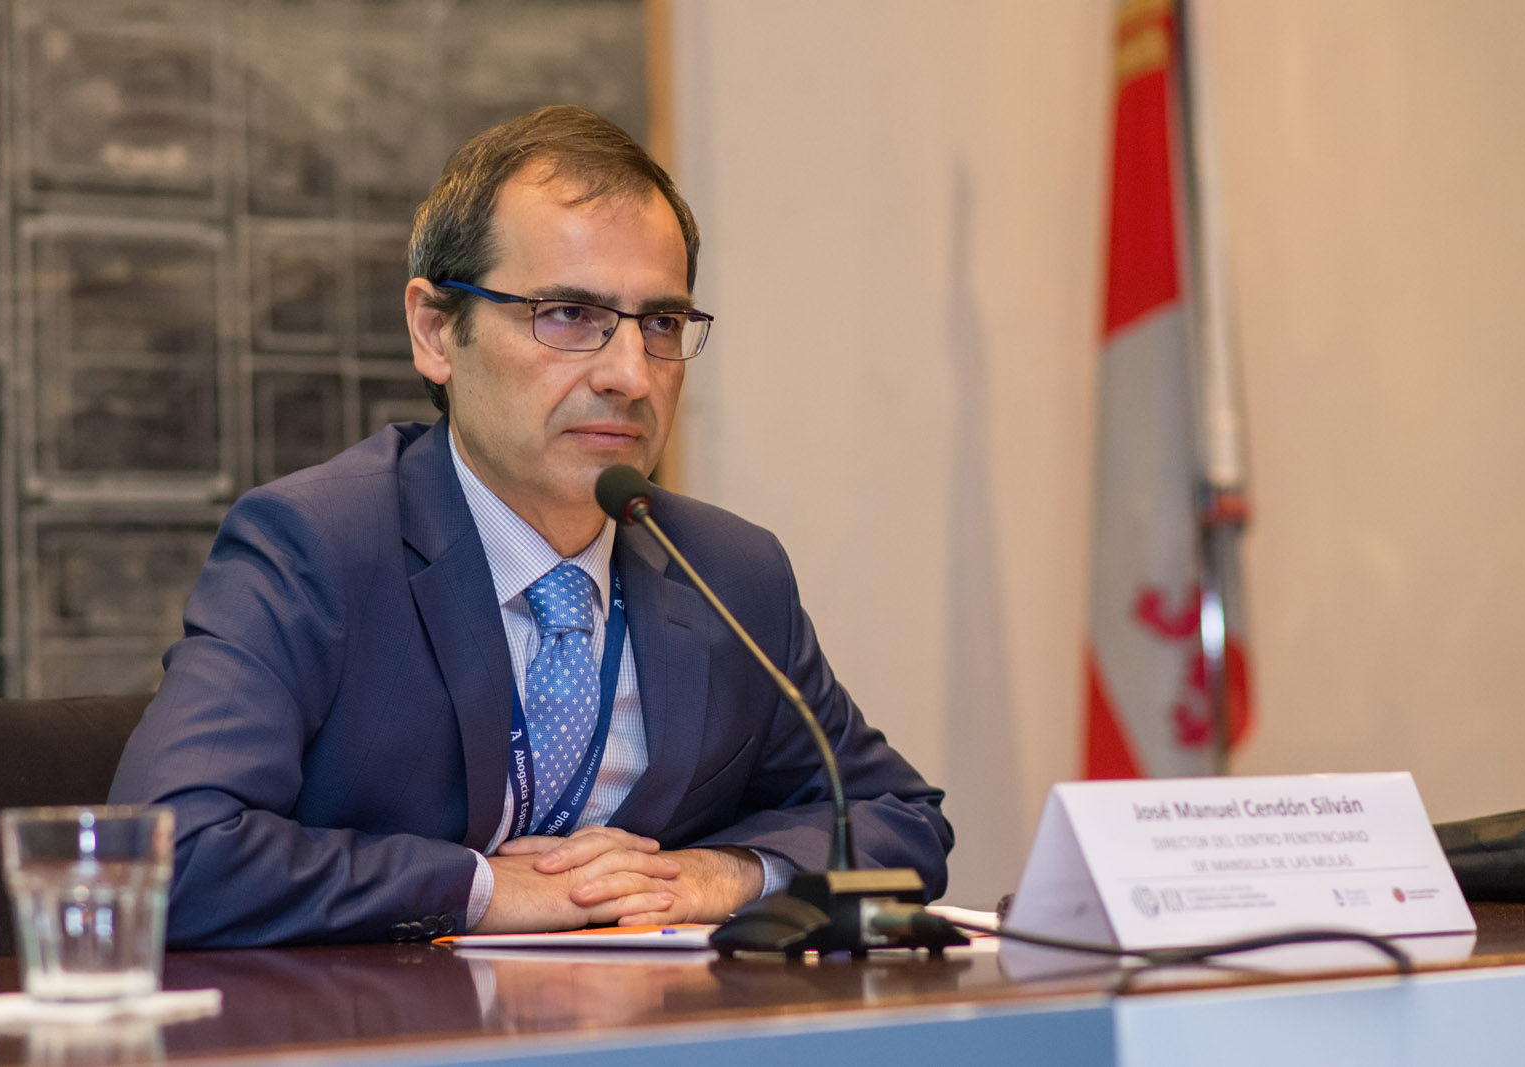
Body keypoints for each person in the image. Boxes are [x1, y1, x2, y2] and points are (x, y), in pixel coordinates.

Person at [110, 105, 951, 947]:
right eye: (569, 314)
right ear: (436, 332)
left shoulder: (728, 571)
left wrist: (722, 874)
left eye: (661, 324)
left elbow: (898, 817)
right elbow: (163, 854)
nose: (630, 375)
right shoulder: (317, 546)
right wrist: (480, 889)